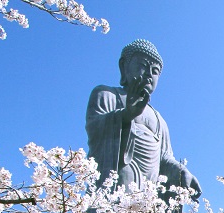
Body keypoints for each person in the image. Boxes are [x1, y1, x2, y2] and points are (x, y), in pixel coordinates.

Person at [86, 39, 201, 201]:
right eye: (143, 66)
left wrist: (181, 171)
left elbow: (165, 158)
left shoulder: (159, 120)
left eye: (155, 71)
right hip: (118, 179)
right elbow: (94, 129)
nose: (149, 74)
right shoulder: (107, 94)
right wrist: (126, 115)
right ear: (123, 66)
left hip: (150, 189)